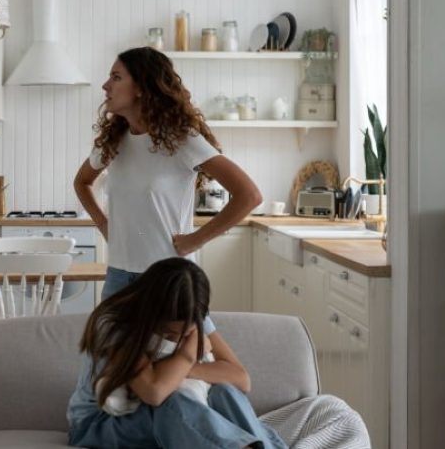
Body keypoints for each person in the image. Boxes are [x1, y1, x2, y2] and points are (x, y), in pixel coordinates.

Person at [73, 46, 262, 301]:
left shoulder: (182, 139)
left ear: (142, 88)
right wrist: (104, 224)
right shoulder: (113, 141)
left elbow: (249, 195)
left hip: (168, 276)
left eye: (116, 77)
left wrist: (196, 239)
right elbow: (82, 182)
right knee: (104, 341)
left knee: (197, 340)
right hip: (119, 272)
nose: (105, 86)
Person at [67, 257, 288, 449]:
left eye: (187, 334)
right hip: (98, 424)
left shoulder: (190, 310)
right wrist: (188, 353)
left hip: (155, 409)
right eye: (169, 334)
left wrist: (179, 371)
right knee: (173, 401)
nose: (179, 341)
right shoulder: (115, 325)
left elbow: (241, 379)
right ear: (150, 314)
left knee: (225, 392)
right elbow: (155, 393)